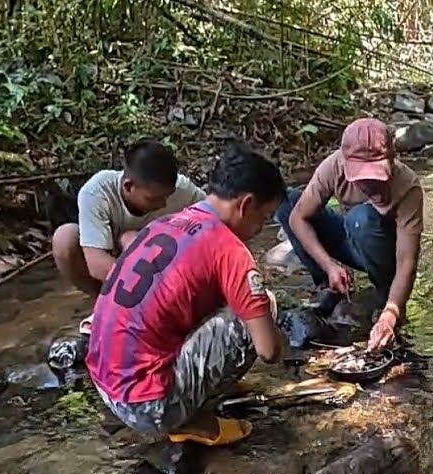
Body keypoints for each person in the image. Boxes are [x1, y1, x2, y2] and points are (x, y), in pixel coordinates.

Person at [85, 144, 286, 446]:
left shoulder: (163, 224)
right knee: (261, 310)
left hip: (106, 384)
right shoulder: (228, 249)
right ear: (246, 205)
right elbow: (268, 350)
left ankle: (190, 392)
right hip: (148, 407)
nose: (261, 228)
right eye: (265, 216)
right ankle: (192, 418)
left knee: (216, 298)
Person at [276, 117, 424, 352]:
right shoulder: (333, 167)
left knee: (361, 218)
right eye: (361, 176)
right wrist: (329, 265)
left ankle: (383, 293)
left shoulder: (407, 187)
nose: (367, 184)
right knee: (288, 203)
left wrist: (391, 312)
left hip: (384, 253)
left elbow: (407, 261)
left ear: (392, 160)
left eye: (375, 176)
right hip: (348, 240)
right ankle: (327, 285)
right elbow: (297, 218)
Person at [51, 140, 206, 331]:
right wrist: (149, 290)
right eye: (154, 198)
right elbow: (96, 263)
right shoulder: (97, 192)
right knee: (64, 238)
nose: (164, 204)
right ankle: (106, 303)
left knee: (131, 238)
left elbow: (214, 219)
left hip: (165, 263)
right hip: (127, 272)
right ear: (128, 186)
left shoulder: (182, 190)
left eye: (168, 196)